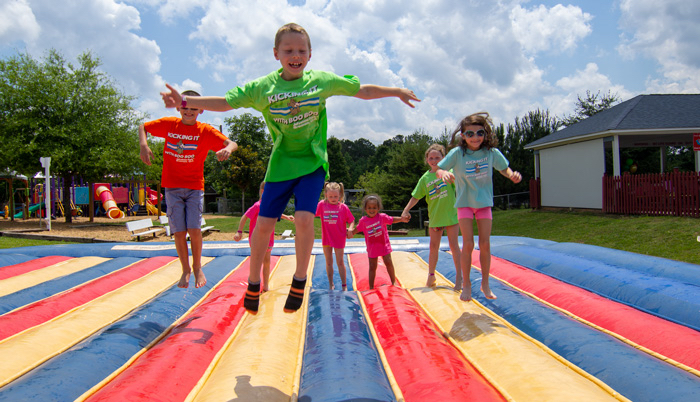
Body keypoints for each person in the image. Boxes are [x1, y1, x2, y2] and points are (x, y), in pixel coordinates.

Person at [159, 23, 420, 314]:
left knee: (304, 219)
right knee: (264, 223)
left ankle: (299, 278)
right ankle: (255, 280)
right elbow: (225, 102)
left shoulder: (320, 81)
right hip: (281, 164)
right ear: (276, 54)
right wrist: (185, 101)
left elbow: (362, 90)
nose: (295, 55)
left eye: (301, 51)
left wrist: (395, 90)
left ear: (310, 55)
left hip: (311, 163)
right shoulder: (263, 88)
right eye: (288, 50)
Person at [139, 90, 237, 289]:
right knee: (178, 232)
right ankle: (185, 269)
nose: (189, 111)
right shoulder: (169, 125)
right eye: (185, 107)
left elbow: (232, 143)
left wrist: (227, 149)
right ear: (178, 107)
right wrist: (143, 145)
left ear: (201, 109)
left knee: (194, 230)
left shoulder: (205, 131)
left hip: (194, 187)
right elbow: (143, 127)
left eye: (194, 108)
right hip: (172, 187)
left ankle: (198, 266)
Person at [436, 112, 521, 301]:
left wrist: (512, 174)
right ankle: (466, 284)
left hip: (483, 204)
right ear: (463, 136)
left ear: (486, 134)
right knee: (468, 243)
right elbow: (440, 169)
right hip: (465, 203)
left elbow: (503, 168)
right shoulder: (458, 153)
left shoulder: (491, 153)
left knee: (485, 244)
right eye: (470, 134)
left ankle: (485, 283)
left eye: (480, 133)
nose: (475, 138)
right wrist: (443, 174)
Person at [401, 144, 462, 289]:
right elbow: (416, 196)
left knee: (454, 246)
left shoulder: (449, 172)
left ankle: (460, 277)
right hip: (436, 218)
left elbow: (461, 185)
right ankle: (431, 276)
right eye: (431, 158)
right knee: (433, 246)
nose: (434, 160)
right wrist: (406, 210)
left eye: (437, 158)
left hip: (452, 216)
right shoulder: (425, 178)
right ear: (427, 160)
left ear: (443, 158)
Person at [233, 182, 294, 292]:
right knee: (256, 261)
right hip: (256, 239)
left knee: (266, 262)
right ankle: (253, 282)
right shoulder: (258, 205)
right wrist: (239, 231)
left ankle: (265, 285)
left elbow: (277, 213)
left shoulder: (271, 205)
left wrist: (287, 217)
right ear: (263, 192)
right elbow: (245, 217)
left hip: (268, 238)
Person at [348, 194, 408, 289]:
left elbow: (392, 220)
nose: (372, 210)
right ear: (365, 208)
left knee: (388, 262)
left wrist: (401, 219)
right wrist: (351, 233)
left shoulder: (382, 217)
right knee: (372, 266)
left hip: (384, 245)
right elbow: (357, 229)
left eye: (374, 208)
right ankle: (371, 286)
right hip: (372, 247)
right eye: (369, 208)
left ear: (378, 208)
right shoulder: (363, 221)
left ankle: (393, 281)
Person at [316, 182, 355, 290]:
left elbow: (351, 220)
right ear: (326, 195)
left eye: (336, 196)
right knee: (328, 262)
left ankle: (344, 285)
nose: (333, 198)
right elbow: (311, 214)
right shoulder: (322, 205)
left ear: (340, 195)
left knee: (340, 262)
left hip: (339, 238)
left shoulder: (343, 207)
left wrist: (351, 229)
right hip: (327, 238)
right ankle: (330, 283)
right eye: (330, 196)